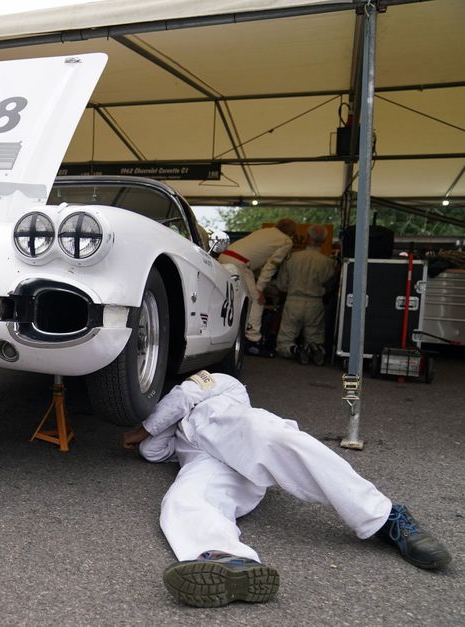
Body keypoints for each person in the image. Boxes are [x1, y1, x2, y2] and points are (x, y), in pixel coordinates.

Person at [121, 370, 451, 608]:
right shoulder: (175, 433)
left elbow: (183, 398)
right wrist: (151, 435)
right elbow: (154, 451)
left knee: (278, 440)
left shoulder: (221, 387)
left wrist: (144, 428)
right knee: (182, 499)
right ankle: (227, 558)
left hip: (229, 427)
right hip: (209, 461)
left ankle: (386, 517)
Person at [219, 218, 296, 356]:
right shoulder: (286, 241)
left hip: (224, 257)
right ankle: (253, 340)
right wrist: (260, 289)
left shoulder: (265, 232)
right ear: (292, 233)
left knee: (230, 299)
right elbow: (271, 265)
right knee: (257, 300)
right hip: (239, 263)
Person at [274, 225, 337, 365]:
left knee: (285, 340)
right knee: (315, 336)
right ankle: (315, 348)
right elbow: (331, 287)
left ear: (307, 237)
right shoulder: (328, 262)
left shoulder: (292, 257)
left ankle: (295, 349)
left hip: (293, 301)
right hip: (315, 302)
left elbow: (282, 285)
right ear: (325, 240)